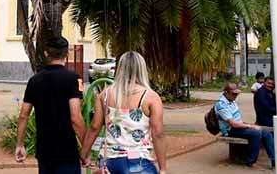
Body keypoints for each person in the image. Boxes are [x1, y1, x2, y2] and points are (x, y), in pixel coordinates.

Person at [80, 51, 167, 174]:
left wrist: (84, 153)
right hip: (140, 162)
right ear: (142, 69)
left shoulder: (105, 95)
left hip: (110, 163)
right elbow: (158, 134)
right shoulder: (151, 97)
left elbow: (94, 127)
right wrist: (163, 168)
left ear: (119, 69)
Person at [15, 36, 86, 174]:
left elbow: (23, 116)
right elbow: (76, 118)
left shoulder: (34, 80)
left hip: (44, 151)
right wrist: (86, 148)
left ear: (46, 53)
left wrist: (20, 144)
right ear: (67, 53)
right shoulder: (73, 79)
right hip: (67, 152)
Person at [215, 82, 275, 169]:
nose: (235, 96)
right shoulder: (221, 105)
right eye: (233, 94)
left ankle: (274, 160)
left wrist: (248, 125)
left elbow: (237, 121)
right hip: (230, 130)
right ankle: (250, 161)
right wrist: (250, 126)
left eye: (237, 94)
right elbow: (233, 124)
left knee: (265, 132)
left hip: (238, 126)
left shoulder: (231, 100)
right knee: (256, 133)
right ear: (226, 92)